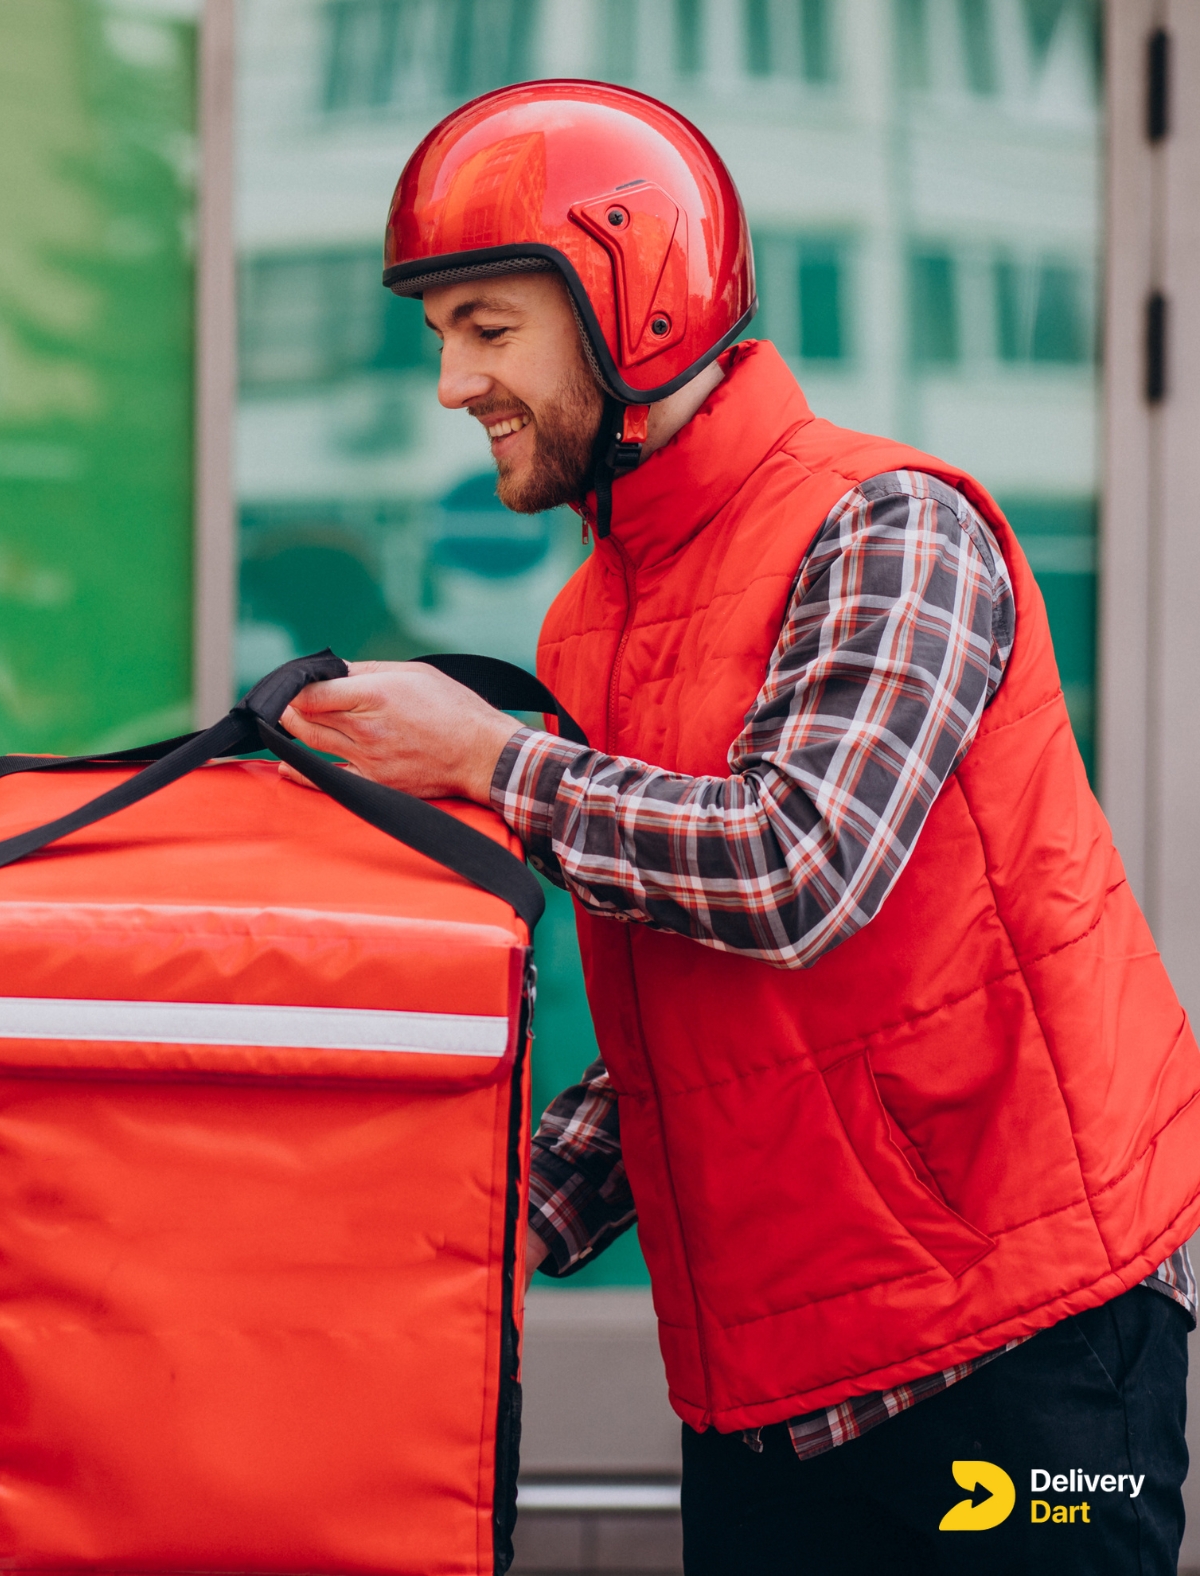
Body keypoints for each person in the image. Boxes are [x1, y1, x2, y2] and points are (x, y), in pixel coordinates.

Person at [281, 81, 1200, 1575]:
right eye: (439, 336)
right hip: (772, 1391)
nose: (451, 385)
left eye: (487, 328)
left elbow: (794, 868)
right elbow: (693, 1009)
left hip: (1020, 1362)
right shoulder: (594, 617)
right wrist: (496, 1219)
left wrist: (493, 761)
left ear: (634, 306)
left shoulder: (887, 527)